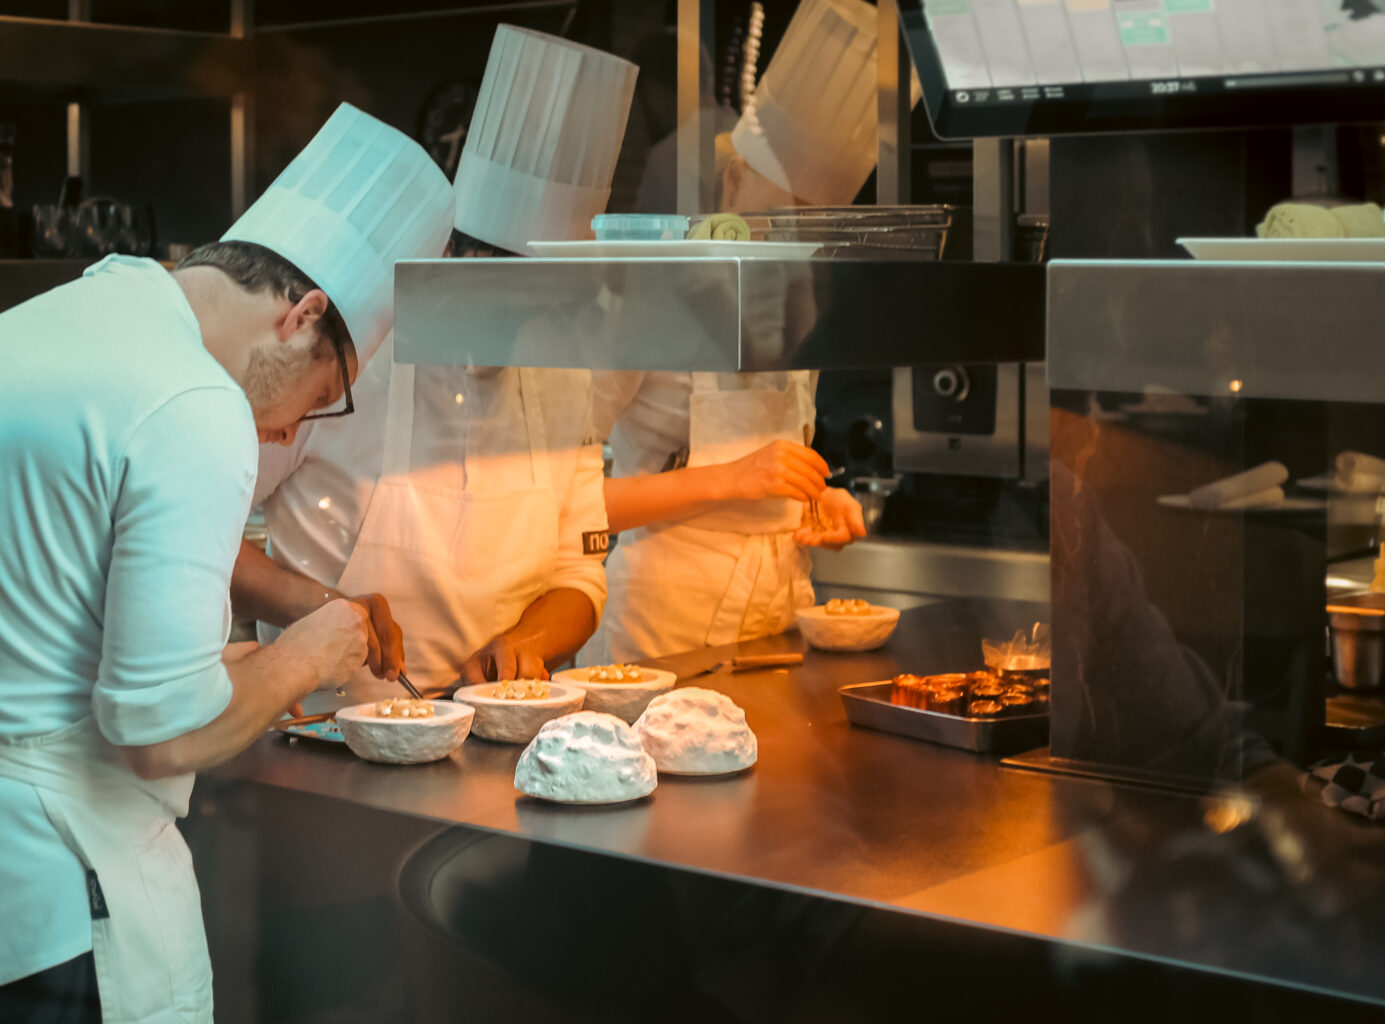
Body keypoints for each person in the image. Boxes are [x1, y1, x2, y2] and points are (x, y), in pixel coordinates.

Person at [0, 102, 454, 1023]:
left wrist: (308, 603)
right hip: (71, 885)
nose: (288, 432)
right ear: (303, 316)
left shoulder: (88, 310)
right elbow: (160, 732)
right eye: (321, 398)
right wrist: (310, 656)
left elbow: (101, 530)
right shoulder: (197, 405)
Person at [233, 26, 636, 702]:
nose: (523, 336)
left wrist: (527, 644)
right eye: (506, 303)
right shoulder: (344, 352)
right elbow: (206, 533)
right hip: (321, 734)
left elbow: (581, 573)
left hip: (497, 752)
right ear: (452, 257)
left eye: (542, 310)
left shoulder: (563, 372)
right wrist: (322, 611)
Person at [585, 0, 878, 665]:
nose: (796, 242)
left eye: (815, 225)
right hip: (660, 642)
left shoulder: (803, 299)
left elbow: (771, 469)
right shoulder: (651, 297)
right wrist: (729, 479)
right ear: (733, 180)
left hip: (780, 621)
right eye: (782, 216)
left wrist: (814, 500)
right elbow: (566, 504)